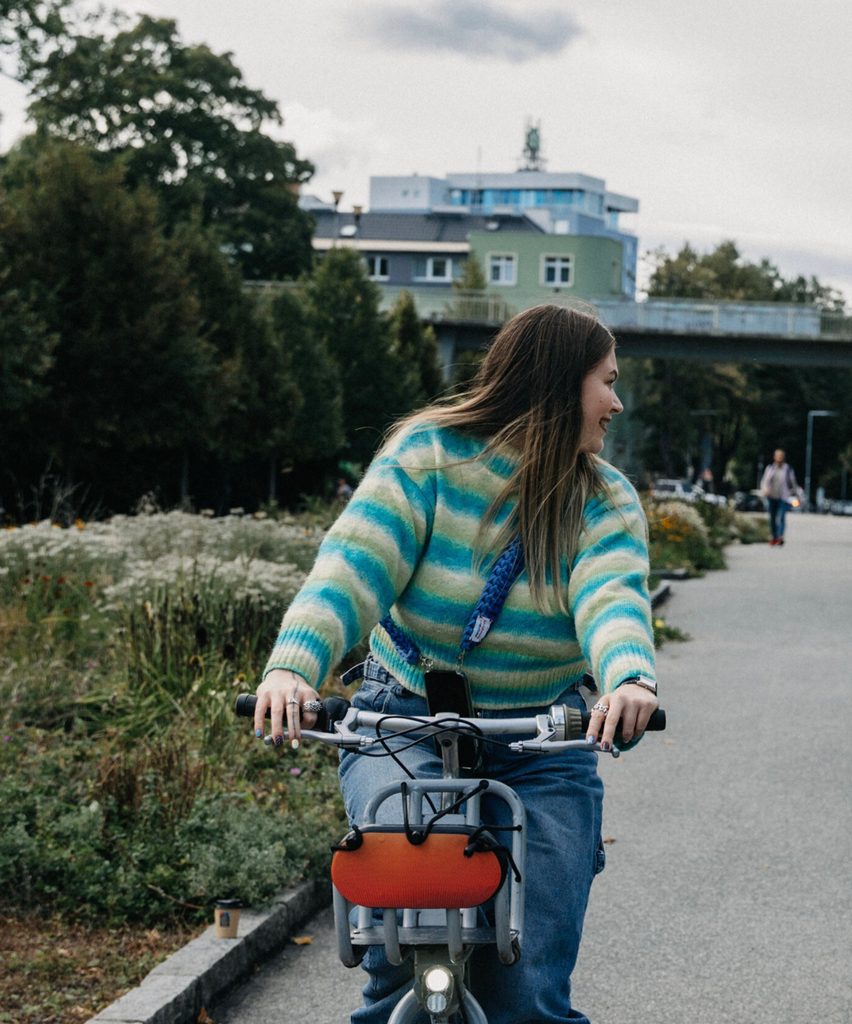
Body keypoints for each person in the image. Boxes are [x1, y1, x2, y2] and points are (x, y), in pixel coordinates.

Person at [253, 304, 659, 1024]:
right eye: (608, 380)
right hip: (402, 721)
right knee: (396, 946)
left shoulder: (603, 500)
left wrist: (628, 677)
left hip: (542, 740)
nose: (616, 401)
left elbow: (612, 597)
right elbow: (352, 569)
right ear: (558, 382)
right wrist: (293, 668)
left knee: (527, 986)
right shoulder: (428, 457)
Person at [760, 448, 799, 546]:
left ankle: (780, 536)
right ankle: (774, 537)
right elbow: (765, 481)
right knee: (772, 518)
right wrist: (765, 490)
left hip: (783, 497)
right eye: (778, 456)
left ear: (784, 457)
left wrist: (796, 494)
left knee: (781, 516)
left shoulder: (788, 469)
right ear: (774, 457)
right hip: (771, 496)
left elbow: (793, 482)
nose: (779, 458)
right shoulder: (770, 468)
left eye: (781, 456)